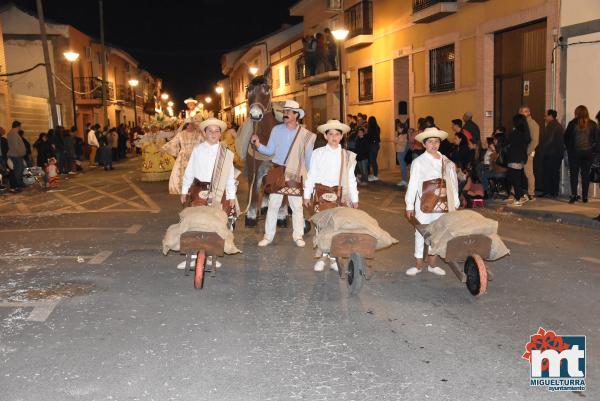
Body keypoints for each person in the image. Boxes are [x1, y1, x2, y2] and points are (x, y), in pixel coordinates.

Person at [251, 100, 316, 248]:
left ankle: (298, 236)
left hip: (295, 173)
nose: (285, 114)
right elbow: (270, 151)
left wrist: (310, 180)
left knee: (297, 207)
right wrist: (258, 144)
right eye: (284, 111)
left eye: (288, 112)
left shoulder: (306, 135)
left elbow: (308, 159)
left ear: (296, 115)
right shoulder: (276, 130)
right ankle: (268, 236)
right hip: (278, 171)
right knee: (273, 205)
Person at [303, 119, 358, 272]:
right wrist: (307, 194)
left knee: (336, 227)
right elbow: (312, 174)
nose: (334, 137)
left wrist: (355, 198)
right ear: (325, 136)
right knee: (321, 227)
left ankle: (333, 258)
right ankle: (322, 256)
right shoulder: (317, 153)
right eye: (331, 134)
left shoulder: (347, 156)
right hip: (321, 194)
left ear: (342, 136)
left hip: (340, 194)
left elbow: (351, 178)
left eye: (337, 134)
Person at [405, 127, 460, 276]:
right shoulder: (419, 162)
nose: (433, 145)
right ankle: (418, 265)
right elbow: (413, 184)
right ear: (424, 144)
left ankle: (432, 264)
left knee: (437, 232)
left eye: (436, 141)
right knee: (421, 232)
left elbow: (453, 183)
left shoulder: (447, 162)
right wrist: (410, 205)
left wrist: (455, 201)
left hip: (442, 203)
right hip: (424, 203)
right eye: (430, 142)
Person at [564, 105, 598, 203]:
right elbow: (596, 139)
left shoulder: (572, 123)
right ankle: (585, 197)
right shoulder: (592, 124)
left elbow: (566, 137)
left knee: (574, 175)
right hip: (588, 154)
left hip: (574, 153)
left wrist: (569, 149)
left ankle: (574, 195)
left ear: (577, 113)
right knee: (585, 175)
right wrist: (593, 150)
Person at [162, 122, 204, 195]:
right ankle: (183, 189)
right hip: (183, 156)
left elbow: (205, 142)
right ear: (186, 126)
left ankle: (195, 189)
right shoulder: (180, 134)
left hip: (195, 156)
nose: (190, 127)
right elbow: (173, 142)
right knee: (182, 173)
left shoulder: (198, 134)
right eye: (188, 125)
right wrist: (164, 148)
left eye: (192, 125)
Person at [505, 114, 531, 207]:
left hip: (514, 158)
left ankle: (518, 198)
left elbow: (507, 141)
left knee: (514, 178)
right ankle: (523, 195)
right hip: (521, 158)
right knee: (519, 177)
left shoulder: (516, 133)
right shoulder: (525, 133)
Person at [539, 109, 564, 197]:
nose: (544, 117)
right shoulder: (557, 125)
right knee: (554, 173)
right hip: (557, 153)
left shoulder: (552, 126)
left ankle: (548, 191)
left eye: (545, 115)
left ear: (550, 116)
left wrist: (542, 150)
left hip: (551, 153)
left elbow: (549, 140)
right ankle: (554, 192)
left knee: (548, 173)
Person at [519, 106, 539, 200]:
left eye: (522, 112)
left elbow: (535, 141)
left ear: (528, 112)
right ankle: (514, 191)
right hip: (521, 152)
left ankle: (531, 193)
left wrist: (526, 152)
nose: (520, 114)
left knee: (528, 173)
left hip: (527, 152)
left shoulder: (532, 124)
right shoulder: (522, 123)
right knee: (516, 172)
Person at [7, 121, 26, 192]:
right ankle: (16, 186)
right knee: (16, 171)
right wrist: (20, 153)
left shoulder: (14, 133)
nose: (20, 128)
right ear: (17, 127)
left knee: (20, 170)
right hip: (16, 156)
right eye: (20, 127)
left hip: (17, 155)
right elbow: (15, 146)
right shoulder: (13, 134)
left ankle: (19, 184)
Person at [394, 119, 409, 187]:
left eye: (398, 128)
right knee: (402, 166)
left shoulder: (403, 135)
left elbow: (399, 142)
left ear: (402, 128)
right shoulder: (402, 135)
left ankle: (404, 180)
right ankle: (403, 180)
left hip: (401, 152)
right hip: (400, 151)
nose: (397, 129)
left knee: (403, 167)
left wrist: (396, 137)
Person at [366, 116, 381, 181]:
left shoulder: (371, 128)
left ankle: (375, 175)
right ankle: (375, 175)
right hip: (376, 144)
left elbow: (369, 137)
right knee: (373, 160)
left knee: (373, 160)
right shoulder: (377, 127)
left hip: (372, 145)